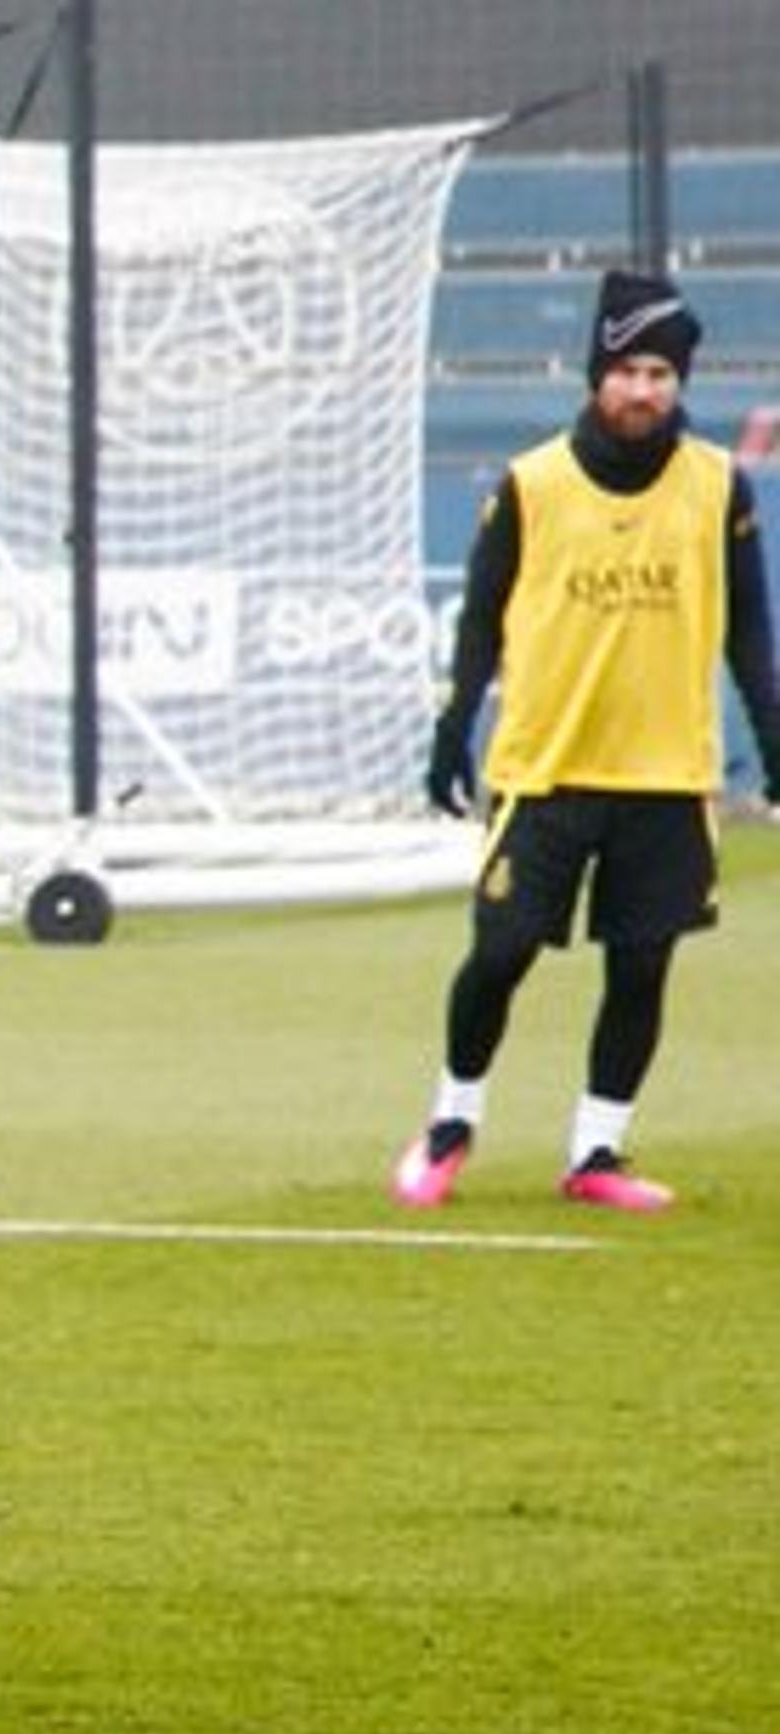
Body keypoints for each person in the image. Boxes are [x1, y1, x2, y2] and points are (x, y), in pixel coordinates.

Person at [389, 268, 779, 1215]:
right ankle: (451, 1121)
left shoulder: (718, 486)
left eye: (662, 372)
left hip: (666, 772)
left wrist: (774, 750)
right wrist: (453, 732)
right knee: (502, 951)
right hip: (546, 766)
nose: (644, 390)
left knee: (642, 965)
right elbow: (480, 620)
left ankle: (596, 1150)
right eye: (629, 370)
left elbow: (749, 633)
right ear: (596, 374)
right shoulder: (531, 484)